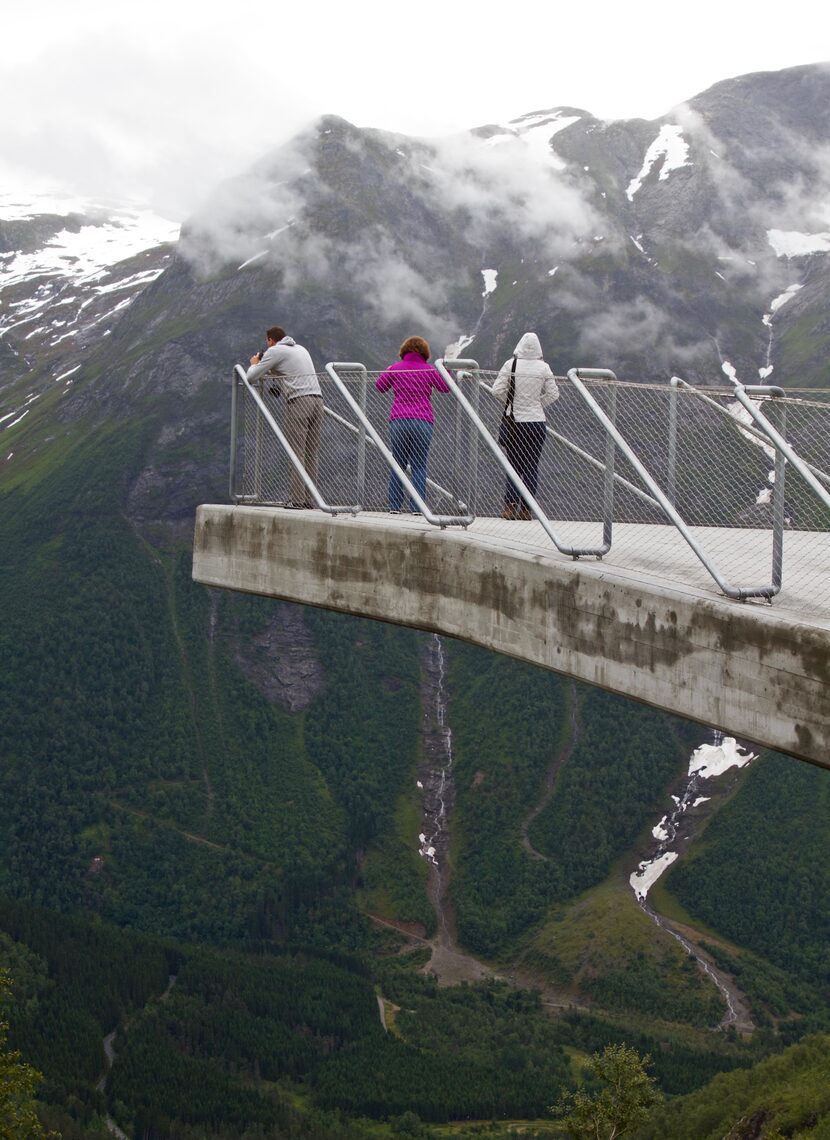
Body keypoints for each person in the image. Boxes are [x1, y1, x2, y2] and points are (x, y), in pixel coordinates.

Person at [246, 326, 323, 509]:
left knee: (296, 453)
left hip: (298, 402)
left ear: (270, 340)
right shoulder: (301, 349)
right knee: (311, 454)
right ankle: (308, 500)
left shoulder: (275, 351)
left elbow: (251, 377)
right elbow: (286, 370)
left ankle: (296, 500)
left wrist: (255, 362)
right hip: (318, 401)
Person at [375, 335, 450, 513]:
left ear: (404, 351)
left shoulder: (396, 368)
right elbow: (445, 388)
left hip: (399, 420)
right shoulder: (429, 370)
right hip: (423, 421)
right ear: (425, 352)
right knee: (419, 465)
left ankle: (394, 506)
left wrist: (388, 370)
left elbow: (380, 387)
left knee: (398, 464)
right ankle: (417, 507)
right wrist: (448, 372)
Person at [491, 331, 559, 520]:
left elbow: (497, 390)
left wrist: (512, 403)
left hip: (516, 423)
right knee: (531, 466)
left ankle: (510, 506)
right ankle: (526, 509)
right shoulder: (544, 368)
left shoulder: (510, 365)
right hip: (537, 422)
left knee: (514, 465)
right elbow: (554, 394)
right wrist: (537, 404)